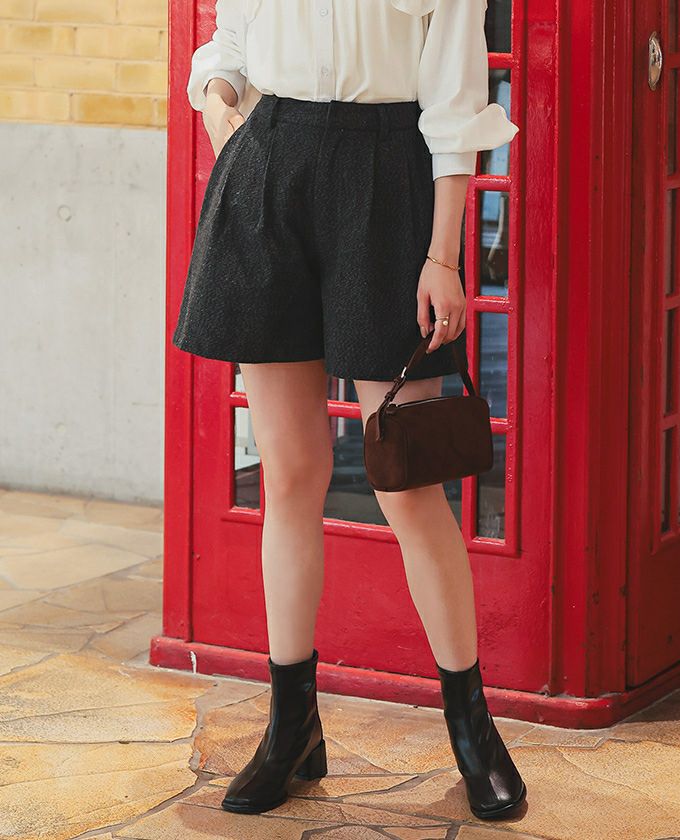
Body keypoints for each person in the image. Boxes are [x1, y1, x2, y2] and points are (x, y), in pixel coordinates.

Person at [172, 0, 526, 822]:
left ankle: (473, 729)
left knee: (409, 482)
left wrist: (444, 255)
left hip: (388, 177)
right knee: (290, 474)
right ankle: (291, 728)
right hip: (270, 167)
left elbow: (454, 97)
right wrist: (220, 102)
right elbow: (230, 44)